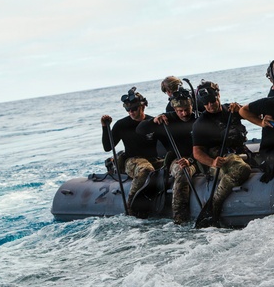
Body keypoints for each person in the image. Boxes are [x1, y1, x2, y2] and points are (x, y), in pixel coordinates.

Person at [191, 80, 252, 224]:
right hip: (220, 159)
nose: (210, 105)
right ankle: (214, 203)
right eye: (206, 103)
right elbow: (197, 152)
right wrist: (212, 162)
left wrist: (241, 109)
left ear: (218, 95)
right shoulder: (200, 123)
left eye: (212, 101)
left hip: (240, 151)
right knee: (242, 169)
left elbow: (255, 117)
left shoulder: (231, 111)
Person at [136, 88, 197, 224]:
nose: (184, 113)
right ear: (174, 109)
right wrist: (153, 121)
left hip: (202, 157)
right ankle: (180, 219)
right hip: (180, 159)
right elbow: (140, 130)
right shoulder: (168, 119)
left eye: (187, 109)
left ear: (192, 105)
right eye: (180, 110)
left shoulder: (198, 118)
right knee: (183, 171)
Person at [101, 87, 159, 209]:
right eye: (128, 110)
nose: (131, 112)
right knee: (146, 170)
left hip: (154, 159)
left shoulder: (152, 122)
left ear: (142, 107)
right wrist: (105, 128)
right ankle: (132, 205)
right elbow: (108, 147)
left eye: (134, 109)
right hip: (132, 160)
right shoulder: (122, 125)